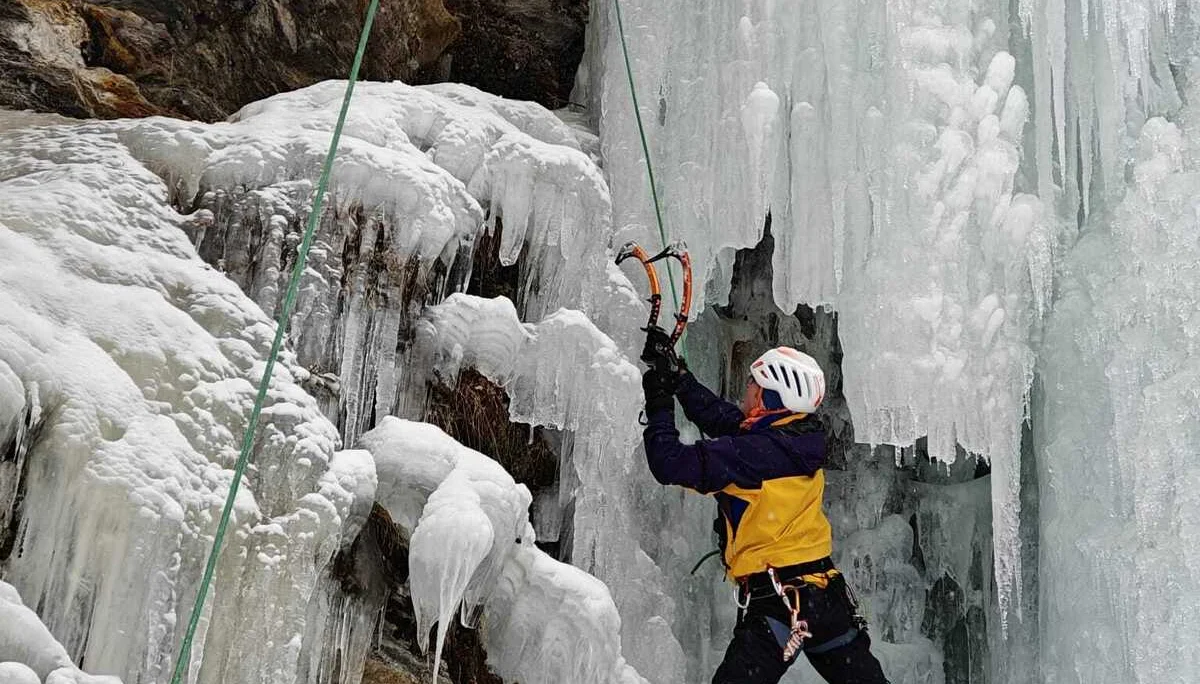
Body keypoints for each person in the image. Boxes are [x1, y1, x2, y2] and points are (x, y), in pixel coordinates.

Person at [639, 327, 890, 684]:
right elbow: (728, 423)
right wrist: (680, 379)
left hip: (780, 604)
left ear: (767, 397)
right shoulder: (798, 439)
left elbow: (668, 462)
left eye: (752, 385)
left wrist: (659, 402)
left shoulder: (753, 457)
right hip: (826, 599)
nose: (746, 390)